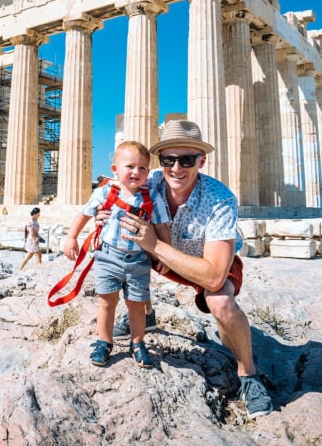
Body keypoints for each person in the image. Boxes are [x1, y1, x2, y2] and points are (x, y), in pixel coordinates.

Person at [113, 119, 274, 420]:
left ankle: (249, 376)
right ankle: (144, 314)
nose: (176, 168)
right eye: (168, 159)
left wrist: (156, 246)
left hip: (207, 263)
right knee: (124, 253)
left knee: (221, 301)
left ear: (201, 160)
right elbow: (114, 192)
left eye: (186, 159)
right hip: (165, 256)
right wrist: (101, 215)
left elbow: (214, 275)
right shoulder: (151, 184)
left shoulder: (219, 199)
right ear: (160, 160)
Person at [63, 141, 169, 369]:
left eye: (142, 168)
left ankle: (138, 342)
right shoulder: (104, 192)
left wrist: (164, 256)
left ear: (148, 173)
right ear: (115, 169)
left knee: (137, 304)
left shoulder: (152, 197)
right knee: (106, 302)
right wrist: (72, 237)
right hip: (107, 257)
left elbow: (161, 227)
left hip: (138, 260)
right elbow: (84, 213)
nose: (136, 172)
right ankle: (104, 341)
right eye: (129, 166)